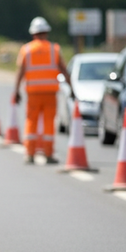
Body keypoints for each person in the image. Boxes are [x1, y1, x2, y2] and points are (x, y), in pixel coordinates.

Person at [13, 16, 75, 164]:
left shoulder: (26, 50)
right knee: (49, 123)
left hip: (33, 93)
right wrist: (72, 88)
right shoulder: (54, 49)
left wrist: (16, 91)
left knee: (31, 121)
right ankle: (48, 154)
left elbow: (20, 72)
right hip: (50, 93)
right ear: (46, 32)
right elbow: (64, 71)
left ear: (33, 34)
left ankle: (29, 153)